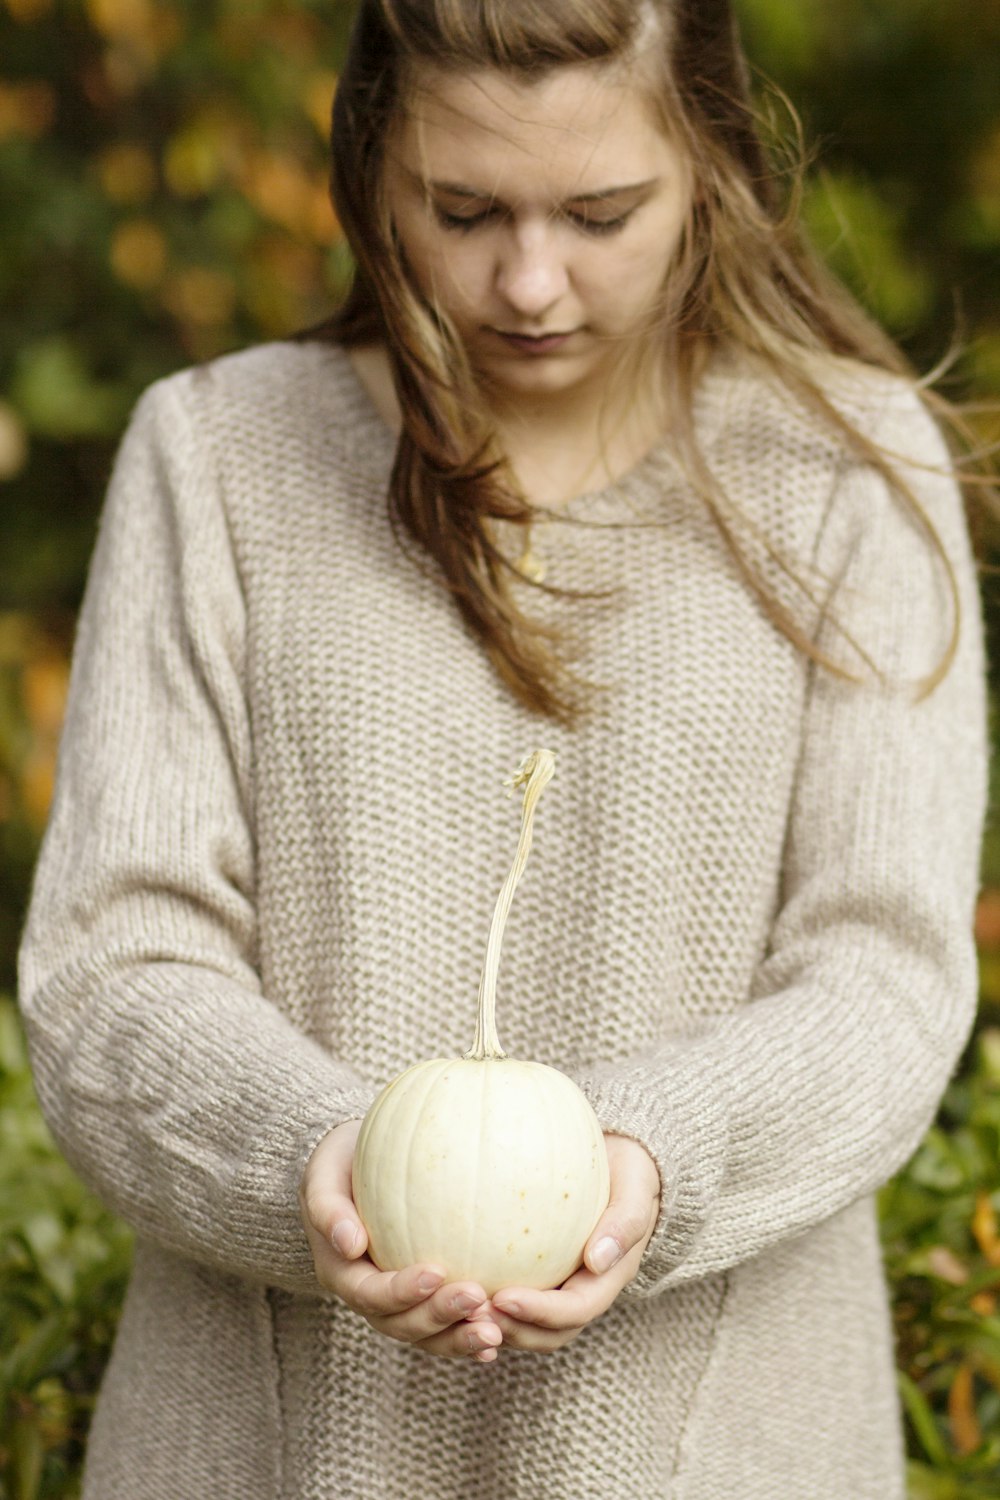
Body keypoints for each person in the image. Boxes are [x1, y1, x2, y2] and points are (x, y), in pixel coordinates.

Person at [16, 0, 992, 1496]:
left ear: (712, 165)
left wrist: (651, 1160)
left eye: (602, 214)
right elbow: (110, 966)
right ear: (370, 166)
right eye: (461, 210)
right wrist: (325, 1159)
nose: (529, 282)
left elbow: (885, 973)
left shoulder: (848, 472)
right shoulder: (213, 458)